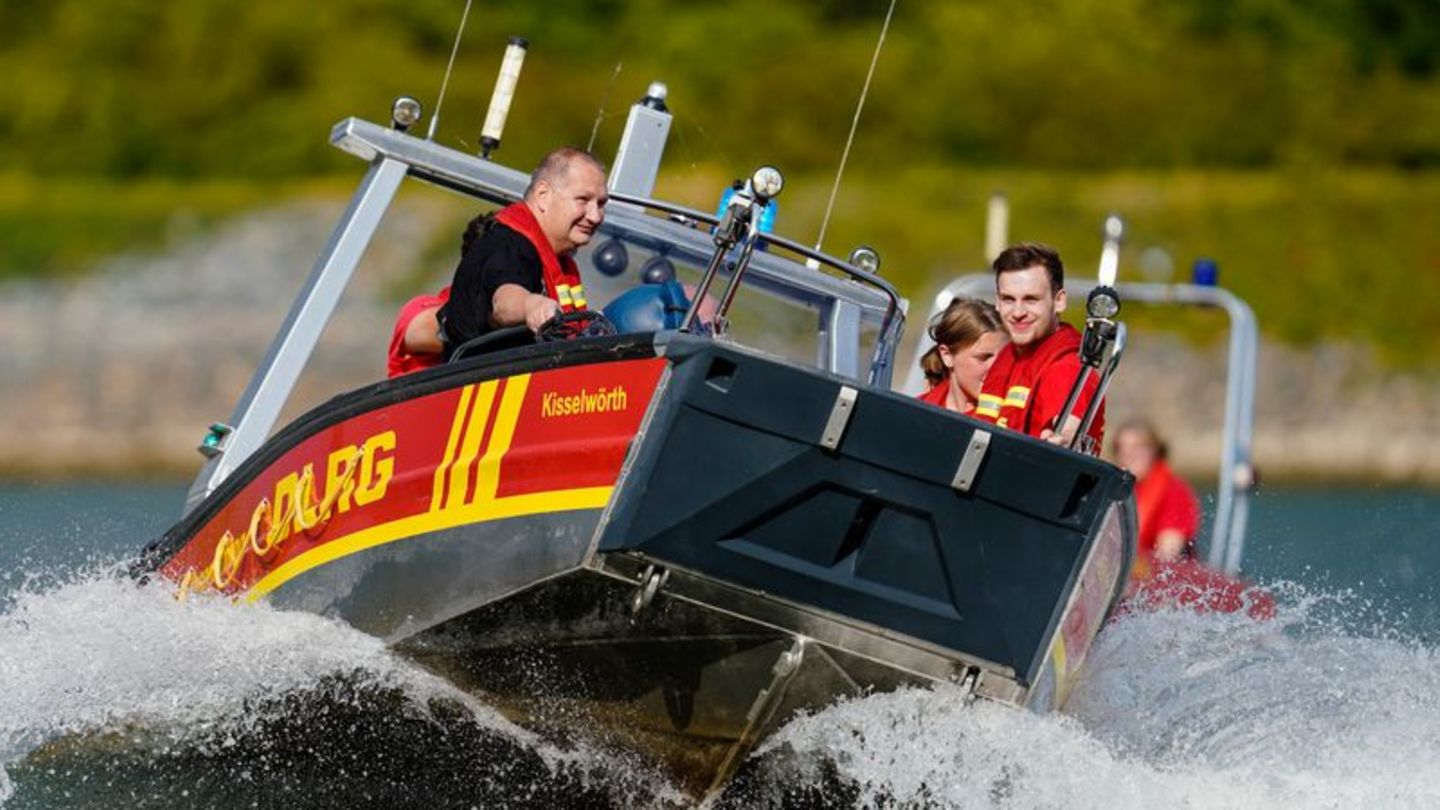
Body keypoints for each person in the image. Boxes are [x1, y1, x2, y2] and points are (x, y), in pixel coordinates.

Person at [973, 242, 1105, 450]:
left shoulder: (1066, 367)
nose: (1018, 312)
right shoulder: (1008, 357)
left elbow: (1068, 434)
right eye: (1008, 299)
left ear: (1059, 301)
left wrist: (1064, 439)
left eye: (1031, 299)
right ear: (996, 302)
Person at [1114, 419, 1201, 580]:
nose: (1128, 455)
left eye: (1137, 448)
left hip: (1162, 581)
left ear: (1154, 451)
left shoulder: (1174, 491)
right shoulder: (1117, 491)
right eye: (1121, 448)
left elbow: (1167, 554)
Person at [916, 297, 1007, 414]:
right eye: (983, 357)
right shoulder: (913, 413)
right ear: (947, 355)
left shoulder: (1016, 422)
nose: (997, 369)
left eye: (1005, 358)